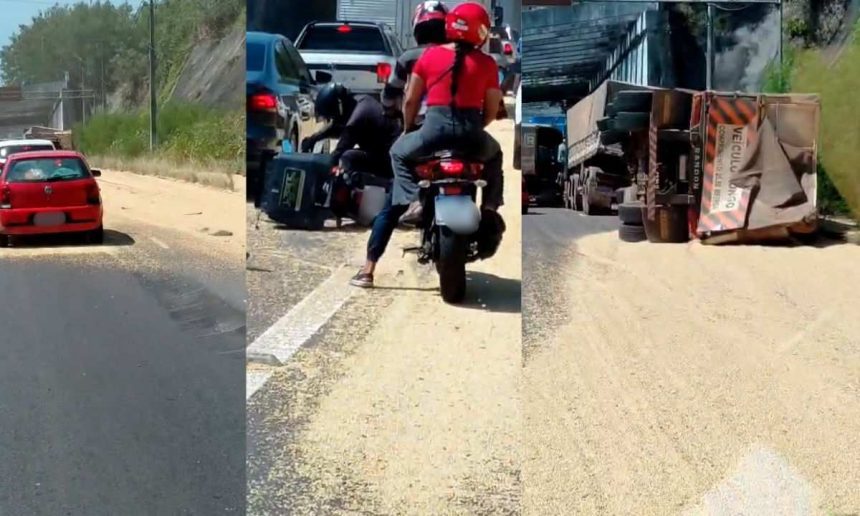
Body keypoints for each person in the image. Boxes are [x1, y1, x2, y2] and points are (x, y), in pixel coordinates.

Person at [350, 2, 504, 288]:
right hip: (470, 135)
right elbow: (492, 110)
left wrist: (408, 129)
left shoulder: (422, 58)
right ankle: (491, 208)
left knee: (394, 179)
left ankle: (370, 266)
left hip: (428, 134)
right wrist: (474, 129)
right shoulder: (486, 63)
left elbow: (405, 100)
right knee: (495, 157)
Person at [300, 83, 401, 179]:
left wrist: (319, 170)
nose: (333, 119)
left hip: (390, 161)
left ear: (338, 108)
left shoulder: (357, 119)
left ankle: (376, 187)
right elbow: (336, 127)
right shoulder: (361, 100)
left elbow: (339, 150)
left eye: (332, 115)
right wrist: (314, 139)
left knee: (347, 158)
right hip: (389, 150)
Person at [381, 1, 449, 118]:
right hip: (456, 121)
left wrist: (389, 110)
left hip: (419, 122)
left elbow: (391, 92)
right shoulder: (458, 55)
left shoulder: (409, 57)